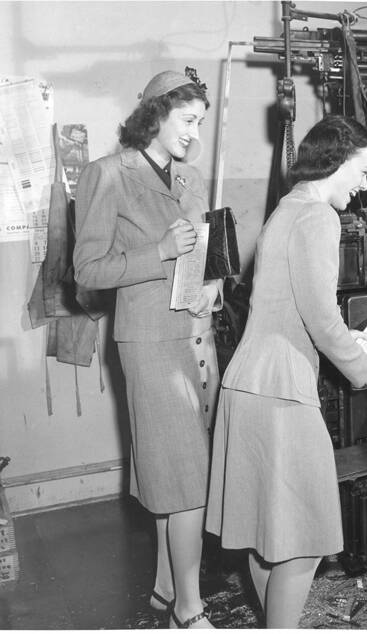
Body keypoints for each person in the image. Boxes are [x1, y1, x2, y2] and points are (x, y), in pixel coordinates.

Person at [205, 115, 367, 628]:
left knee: (268, 539)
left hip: (247, 382)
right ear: (337, 161)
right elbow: (320, 314)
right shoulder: (317, 216)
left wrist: (346, 343)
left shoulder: (286, 209)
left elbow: (292, 309)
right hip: (282, 392)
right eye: (362, 170)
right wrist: (365, 369)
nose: (363, 184)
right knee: (305, 543)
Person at [73, 69, 222, 629]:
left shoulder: (192, 178)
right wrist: (157, 251)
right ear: (155, 115)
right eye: (187, 121)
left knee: (172, 471)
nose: (194, 134)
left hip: (196, 338)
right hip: (149, 343)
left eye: (200, 123)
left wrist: (214, 285)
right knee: (187, 480)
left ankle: (165, 589)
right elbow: (86, 271)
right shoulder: (106, 175)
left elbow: (210, 255)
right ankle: (190, 611)